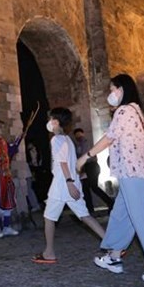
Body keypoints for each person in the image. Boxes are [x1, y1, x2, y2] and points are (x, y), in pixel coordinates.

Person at [76, 74, 144, 284]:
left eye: (112, 89)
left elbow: (109, 137)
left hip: (131, 173)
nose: (110, 94)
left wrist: (85, 157)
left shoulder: (124, 111)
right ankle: (114, 257)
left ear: (122, 89)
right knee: (121, 215)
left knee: (142, 220)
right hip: (136, 173)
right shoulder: (136, 110)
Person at [32, 107, 105, 264]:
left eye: (51, 119)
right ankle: (111, 244)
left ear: (56, 122)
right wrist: (72, 183)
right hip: (71, 183)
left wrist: (69, 183)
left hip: (62, 184)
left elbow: (63, 163)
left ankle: (49, 252)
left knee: (49, 218)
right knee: (84, 215)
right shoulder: (68, 140)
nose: (49, 122)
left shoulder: (56, 140)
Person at [74, 128, 114, 215]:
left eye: (79, 135)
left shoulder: (85, 143)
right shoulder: (78, 145)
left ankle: (110, 202)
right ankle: (90, 208)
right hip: (86, 168)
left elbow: (85, 155)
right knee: (86, 188)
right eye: (77, 135)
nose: (78, 137)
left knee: (93, 187)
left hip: (91, 166)